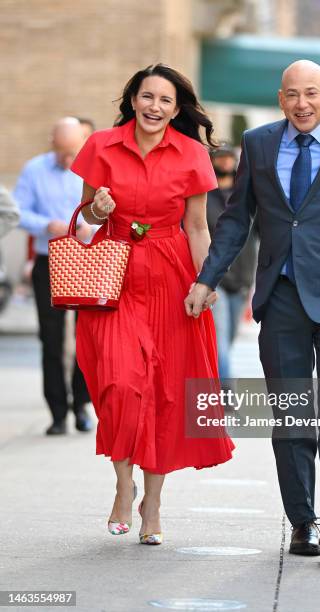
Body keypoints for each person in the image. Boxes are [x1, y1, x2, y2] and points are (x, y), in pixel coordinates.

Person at [186, 60, 320, 558]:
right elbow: (237, 220)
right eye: (291, 95)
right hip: (280, 296)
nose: (302, 104)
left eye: (311, 94)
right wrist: (206, 278)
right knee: (292, 414)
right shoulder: (259, 143)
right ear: (280, 99)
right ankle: (302, 520)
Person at [70, 64, 234, 544]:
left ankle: (153, 503)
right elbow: (82, 226)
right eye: (147, 96)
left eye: (165, 100)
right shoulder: (101, 145)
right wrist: (96, 213)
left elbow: (198, 227)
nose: (154, 107)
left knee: (165, 391)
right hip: (111, 274)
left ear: (176, 109)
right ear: (133, 99)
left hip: (170, 274)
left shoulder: (190, 155)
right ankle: (124, 484)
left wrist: (205, 283)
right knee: (119, 384)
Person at [13, 117, 93, 435]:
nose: (68, 160)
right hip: (49, 260)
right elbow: (18, 212)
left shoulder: (92, 167)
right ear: (52, 143)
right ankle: (58, 412)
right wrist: (46, 224)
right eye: (62, 153)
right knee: (51, 338)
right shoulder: (34, 170)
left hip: (86, 260)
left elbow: (109, 208)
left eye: (73, 152)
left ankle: (82, 405)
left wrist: (93, 225)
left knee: (86, 337)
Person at [207, 145, 257, 385]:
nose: (226, 163)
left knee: (229, 337)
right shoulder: (204, 195)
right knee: (220, 339)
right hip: (215, 277)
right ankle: (225, 393)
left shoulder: (246, 194)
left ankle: (217, 383)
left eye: (229, 158)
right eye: (221, 158)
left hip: (243, 276)